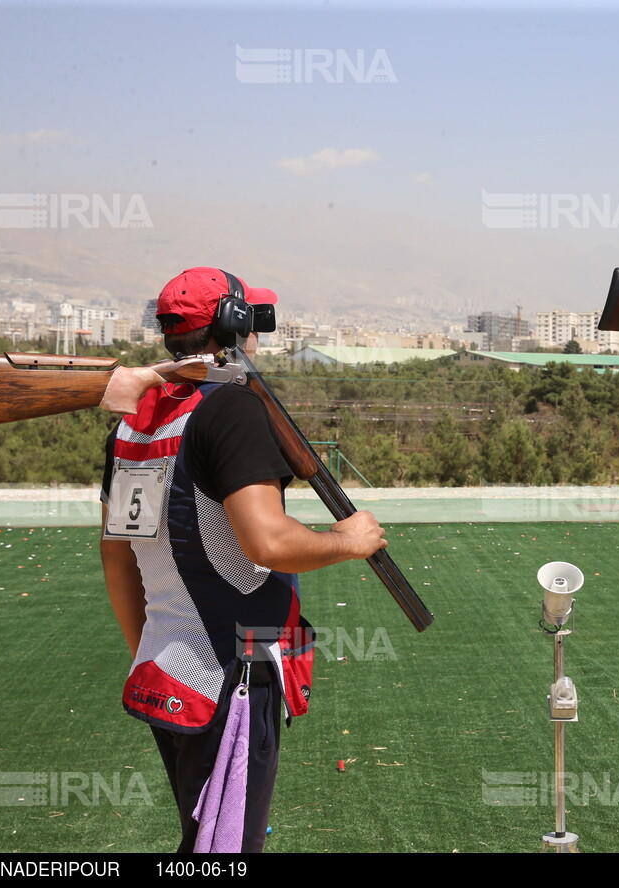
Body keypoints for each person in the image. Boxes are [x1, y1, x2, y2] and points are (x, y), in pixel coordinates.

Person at [99, 267, 388, 853]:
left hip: (165, 668)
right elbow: (268, 543)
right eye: (252, 317)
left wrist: (151, 650)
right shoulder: (229, 409)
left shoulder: (134, 426)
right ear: (232, 323)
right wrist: (349, 541)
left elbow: (119, 560)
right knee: (228, 847)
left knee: (201, 836)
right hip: (232, 671)